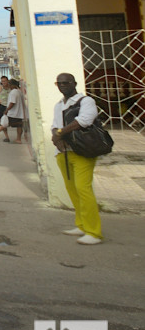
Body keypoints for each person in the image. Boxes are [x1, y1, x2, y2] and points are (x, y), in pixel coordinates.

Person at [51, 72, 103, 245]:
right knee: (72, 189)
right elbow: (55, 125)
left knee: (83, 189)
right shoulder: (59, 105)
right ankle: (81, 224)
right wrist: (56, 138)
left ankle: (94, 232)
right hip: (64, 153)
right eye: (60, 83)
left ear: (74, 83)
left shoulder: (85, 101)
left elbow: (85, 120)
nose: (63, 85)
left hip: (82, 151)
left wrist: (60, 133)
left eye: (66, 82)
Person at [4, 78, 25, 143]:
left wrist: (7, 110)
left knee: (5, 123)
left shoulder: (13, 92)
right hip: (19, 112)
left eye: (9, 84)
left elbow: (12, 102)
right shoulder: (19, 91)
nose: (9, 86)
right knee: (19, 125)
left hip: (13, 113)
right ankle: (18, 139)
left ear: (13, 85)